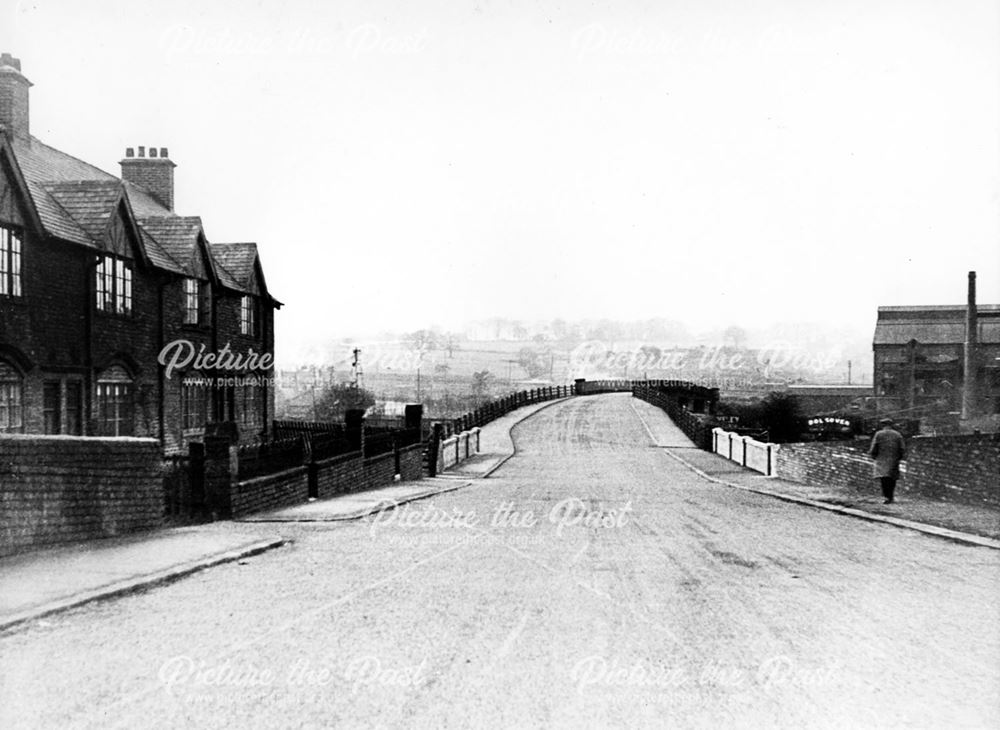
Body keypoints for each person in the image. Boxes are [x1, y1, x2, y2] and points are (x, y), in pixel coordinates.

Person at [869, 418, 906, 504]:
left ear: (883, 425)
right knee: (892, 478)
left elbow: (874, 446)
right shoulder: (897, 434)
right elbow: (902, 448)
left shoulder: (878, 434)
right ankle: (891, 496)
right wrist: (899, 457)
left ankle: (886, 497)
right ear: (891, 425)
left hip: (881, 459)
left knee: (884, 478)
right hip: (893, 459)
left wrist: (873, 455)